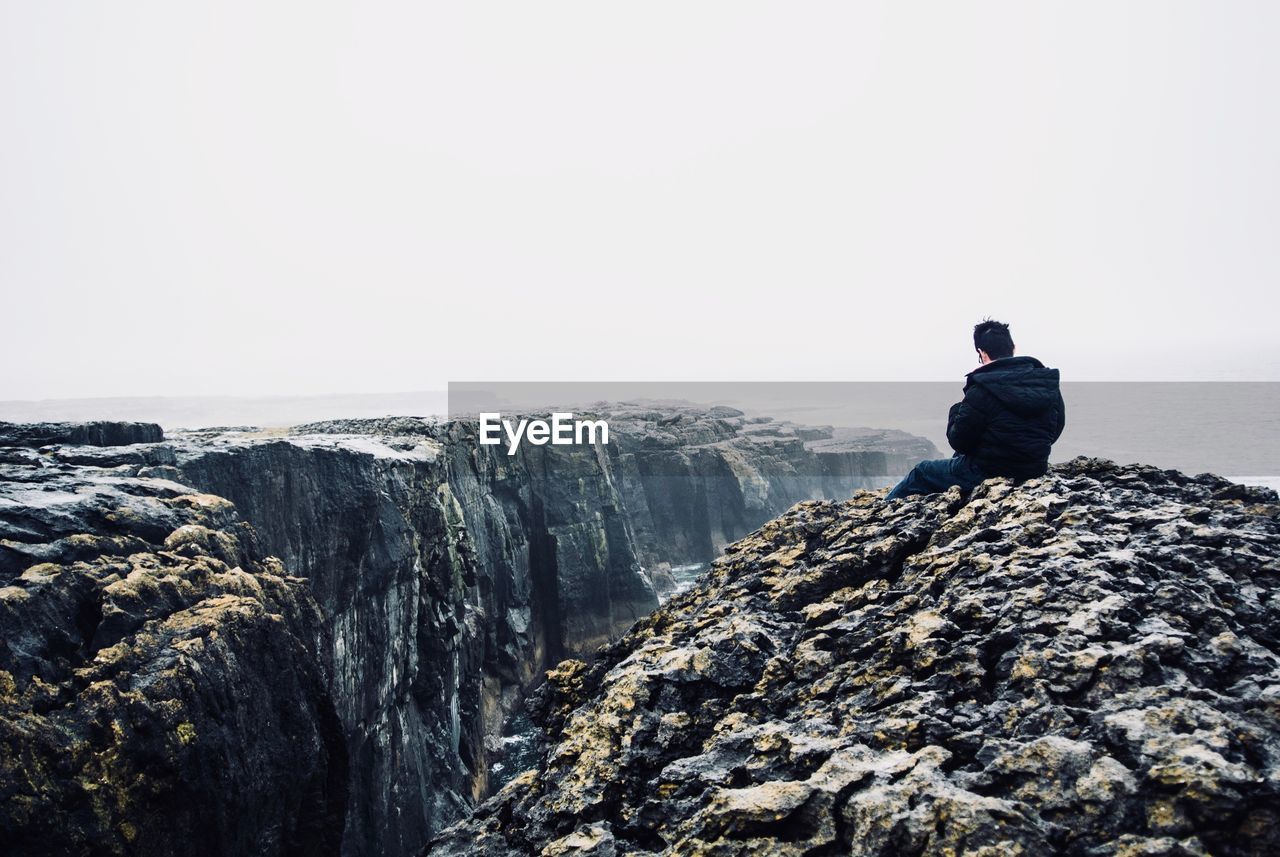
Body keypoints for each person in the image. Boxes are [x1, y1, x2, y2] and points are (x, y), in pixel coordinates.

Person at [887, 319, 1065, 500]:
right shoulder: (1045, 383)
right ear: (1013, 348)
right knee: (960, 456)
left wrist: (956, 410)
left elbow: (959, 440)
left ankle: (884, 508)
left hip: (988, 471)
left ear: (982, 353)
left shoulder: (983, 388)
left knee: (922, 471)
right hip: (1035, 468)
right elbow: (1056, 429)